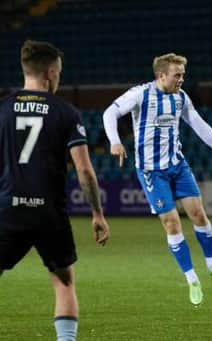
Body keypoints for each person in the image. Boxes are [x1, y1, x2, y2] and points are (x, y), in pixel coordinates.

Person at [102, 53, 212, 305]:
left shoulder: (181, 97)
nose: (181, 79)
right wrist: (115, 141)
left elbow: (200, 126)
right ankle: (192, 279)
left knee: (199, 214)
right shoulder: (140, 95)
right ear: (161, 75)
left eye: (183, 75)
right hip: (151, 171)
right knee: (172, 224)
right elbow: (109, 113)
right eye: (177, 75)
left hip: (177, 165)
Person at [0, 40, 110, 341]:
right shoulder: (65, 112)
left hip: (8, 209)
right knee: (63, 283)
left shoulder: (3, 110)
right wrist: (97, 213)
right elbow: (85, 170)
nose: (59, 78)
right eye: (59, 72)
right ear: (50, 72)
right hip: (49, 214)